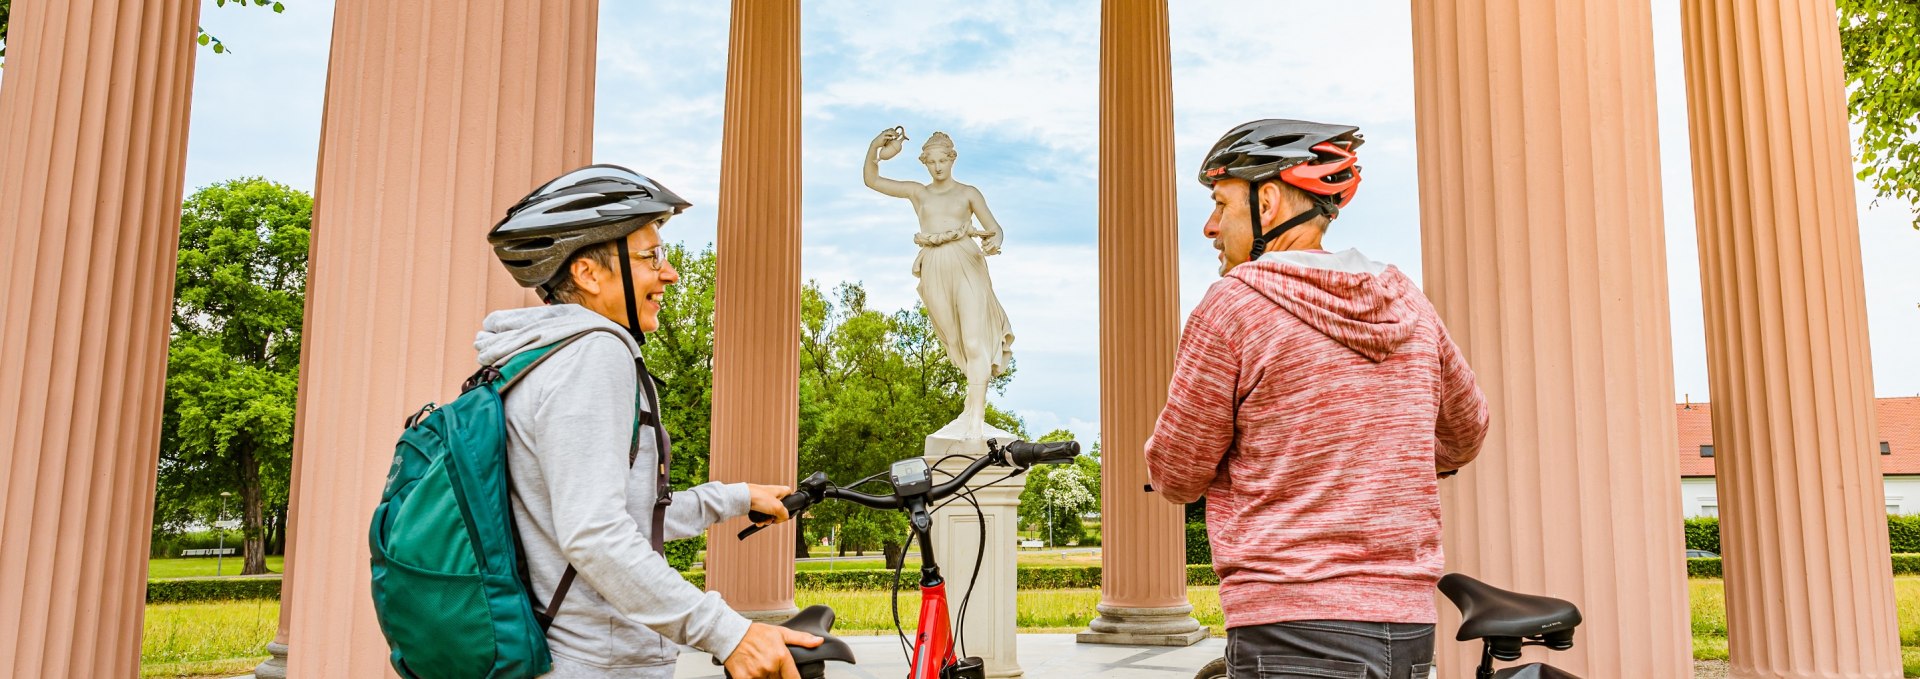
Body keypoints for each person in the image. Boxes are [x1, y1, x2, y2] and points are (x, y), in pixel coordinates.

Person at [1143, 120, 1490, 679]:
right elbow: (1466, 431)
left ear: (1270, 201)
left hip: (1289, 623)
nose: (1209, 227)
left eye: (1221, 204)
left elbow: (1179, 473)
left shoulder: (1234, 307)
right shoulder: (1409, 305)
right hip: (1406, 626)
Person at [479, 164, 822, 679]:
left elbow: (617, 513)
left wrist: (734, 497)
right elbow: (595, 534)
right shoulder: (593, 354)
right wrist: (730, 633)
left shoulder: (533, 359)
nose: (670, 273)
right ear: (588, 273)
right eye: (650, 256)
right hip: (594, 663)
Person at [863, 128, 1016, 440]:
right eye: (931, 162)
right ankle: (970, 404)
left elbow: (994, 227)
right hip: (934, 265)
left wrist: (995, 241)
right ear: (924, 163)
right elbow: (872, 180)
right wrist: (875, 149)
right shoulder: (919, 193)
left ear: (952, 159)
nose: (937, 167)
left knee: (974, 341)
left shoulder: (968, 193)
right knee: (953, 339)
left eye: (942, 160)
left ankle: (976, 415)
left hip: (966, 261)